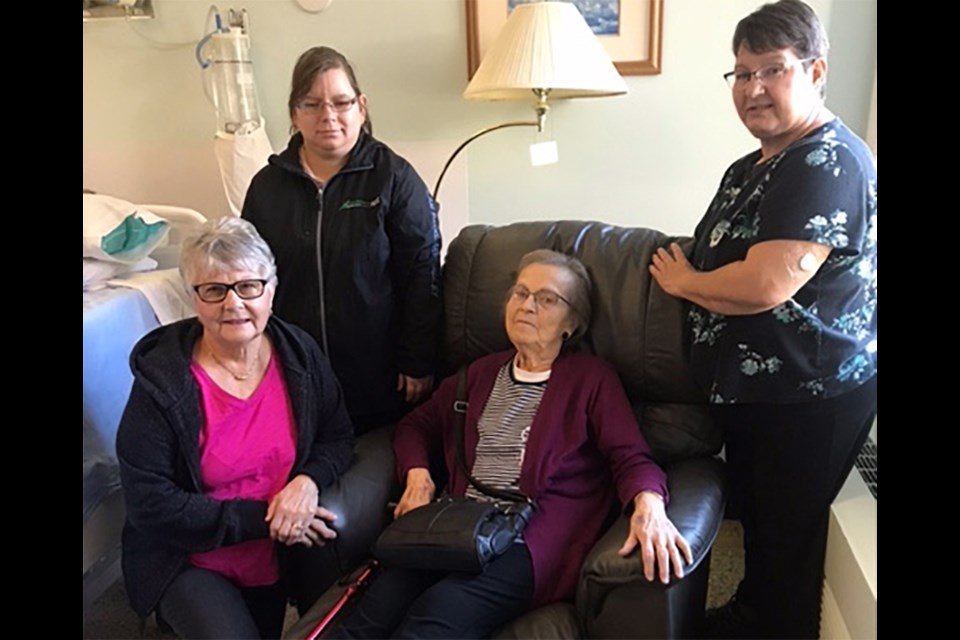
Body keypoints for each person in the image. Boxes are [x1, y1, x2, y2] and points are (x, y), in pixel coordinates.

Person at [648, 2, 877, 637]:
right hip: (761, 392)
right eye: (740, 74)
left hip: (811, 393)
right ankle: (753, 612)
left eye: (771, 70)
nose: (752, 89)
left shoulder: (827, 162)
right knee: (764, 527)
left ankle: (773, 626)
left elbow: (768, 282)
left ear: (815, 70)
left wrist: (686, 284)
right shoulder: (756, 164)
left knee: (787, 537)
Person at [330, 250, 692, 639]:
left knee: (436, 616)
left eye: (547, 298)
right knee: (373, 609)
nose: (527, 305)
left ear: (573, 322)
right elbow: (416, 425)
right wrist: (418, 477)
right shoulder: (477, 374)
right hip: (454, 527)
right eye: (519, 293)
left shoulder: (591, 380)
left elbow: (630, 456)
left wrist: (649, 505)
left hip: (528, 539)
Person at [116, 218, 355, 639]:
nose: (234, 304)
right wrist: (265, 519)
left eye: (248, 286)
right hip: (189, 557)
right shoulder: (163, 380)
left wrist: (307, 481)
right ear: (194, 298)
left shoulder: (299, 355)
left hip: (272, 554)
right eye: (214, 290)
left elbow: (337, 436)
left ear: (272, 291)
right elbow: (149, 503)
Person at [242, 46, 442, 434]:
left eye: (341, 102)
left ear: (361, 107)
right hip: (293, 382)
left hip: (380, 384)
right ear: (294, 113)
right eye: (312, 104)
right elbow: (249, 281)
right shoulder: (266, 188)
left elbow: (423, 275)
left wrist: (418, 361)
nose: (328, 116)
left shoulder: (394, 179)